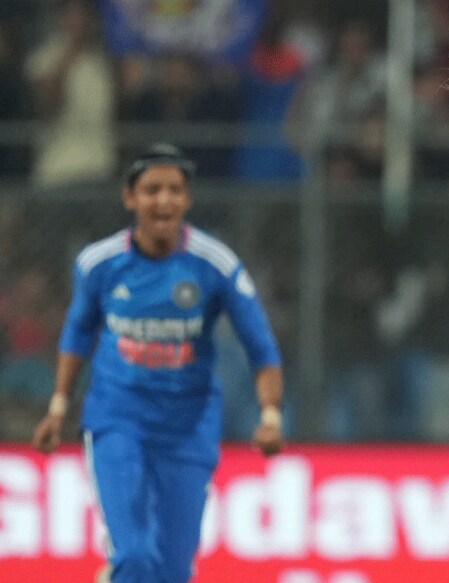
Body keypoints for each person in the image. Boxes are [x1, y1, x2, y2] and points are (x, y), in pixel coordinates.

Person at [30, 144, 285, 583]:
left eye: (173, 190)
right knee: (134, 555)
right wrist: (58, 405)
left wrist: (269, 414)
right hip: (119, 421)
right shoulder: (99, 264)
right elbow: (77, 333)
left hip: (188, 429)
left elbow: (261, 347)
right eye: (151, 190)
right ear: (130, 199)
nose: (163, 200)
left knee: (172, 570)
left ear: (187, 200)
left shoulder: (215, 265)